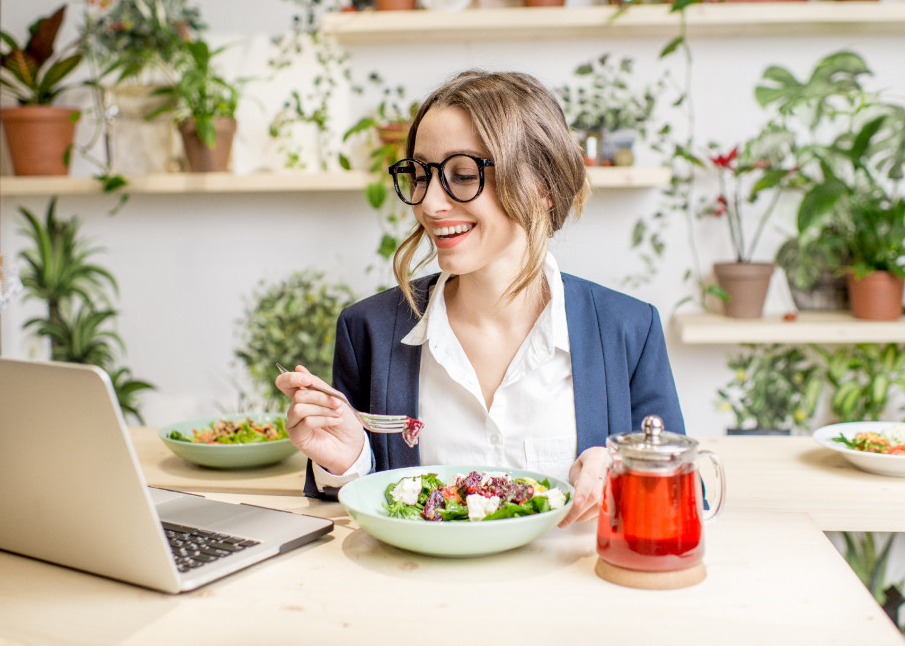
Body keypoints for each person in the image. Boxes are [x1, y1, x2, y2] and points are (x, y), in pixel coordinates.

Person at [276, 69, 684, 527]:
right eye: (420, 175)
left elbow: (686, 499)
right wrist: (348, 459)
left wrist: (626, 475)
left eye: (463, 174)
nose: (429, 204)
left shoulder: (628, 329)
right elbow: (348, 507)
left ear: (542, 187)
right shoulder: (367, 330)